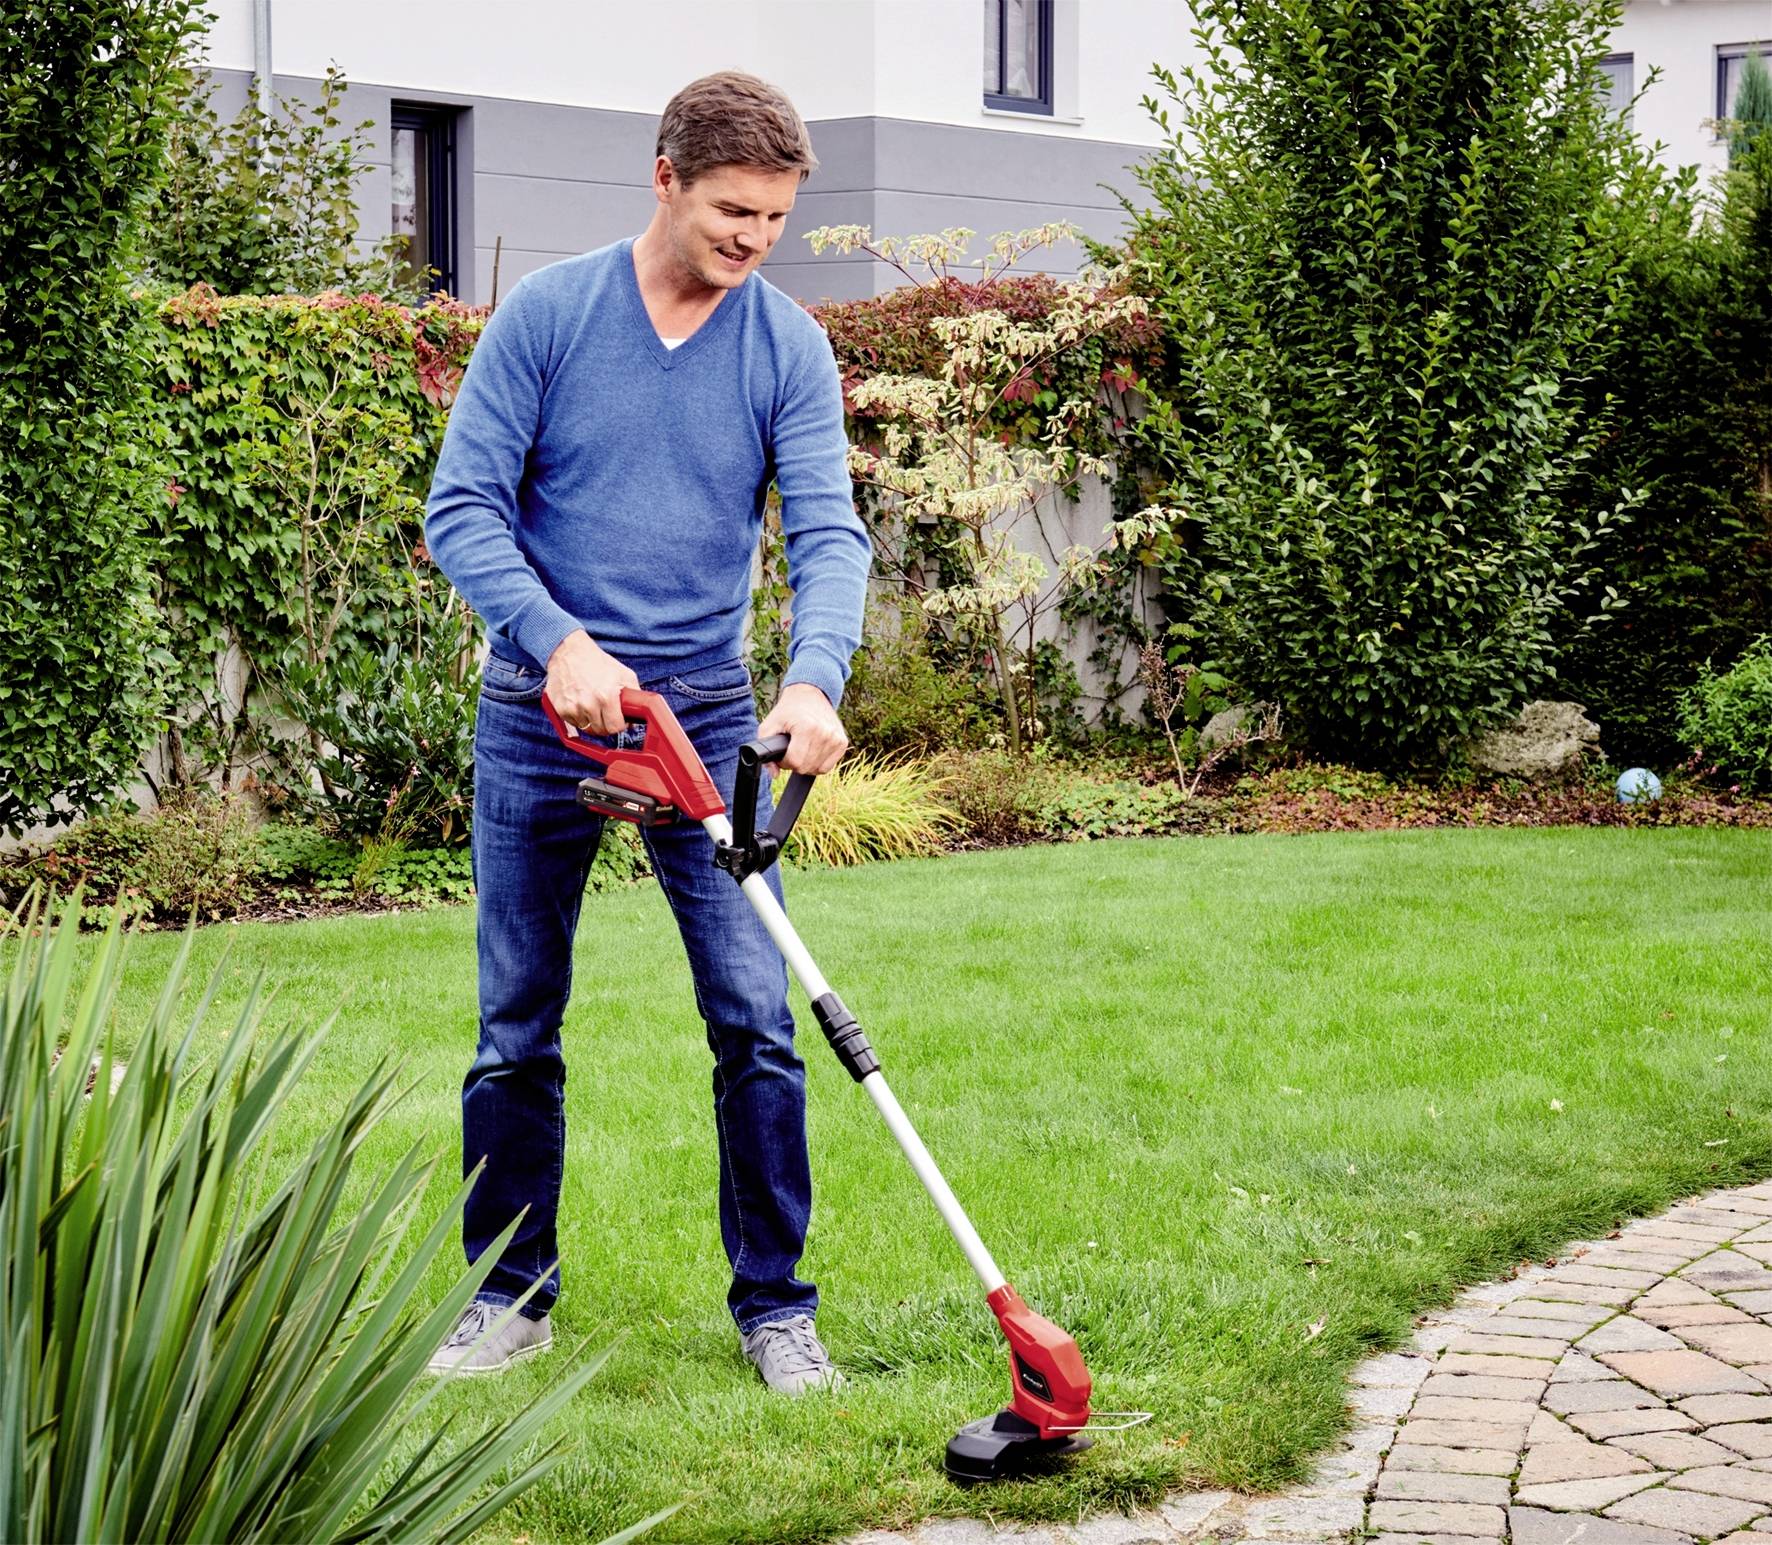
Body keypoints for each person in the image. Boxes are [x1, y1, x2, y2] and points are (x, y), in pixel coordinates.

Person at [422, 70, 869, 1393]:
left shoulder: (783, 343)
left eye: (776, 218)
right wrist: (555, 641)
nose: (753, 239)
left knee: (757, 1019)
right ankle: (508, 1300)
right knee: (517, 1022)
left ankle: (777, 1308)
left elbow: (829, 531)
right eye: (735, 209)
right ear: (665, 178)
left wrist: (815, 679)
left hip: (710, 725)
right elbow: (463, 510)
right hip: (539, 718)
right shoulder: (554, 317)